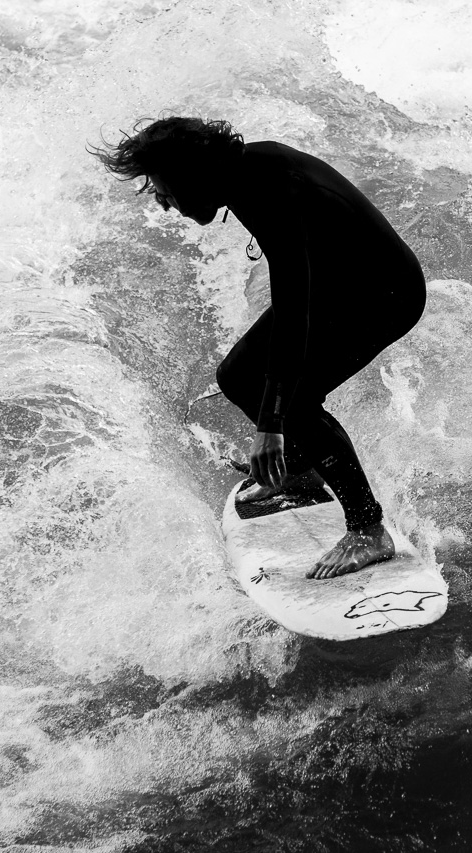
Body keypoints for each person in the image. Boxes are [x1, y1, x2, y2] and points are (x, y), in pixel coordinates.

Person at [88, 117, 426, 579]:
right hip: (333, 287)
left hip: (381, 296)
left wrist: (272, 426)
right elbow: (299, 297)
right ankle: (299, 471)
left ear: (194, 175)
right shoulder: (245, 173)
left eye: (164, 188)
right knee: (238, 378)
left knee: (295, 403)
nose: (163, 202)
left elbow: (294, 311)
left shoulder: (274, 191)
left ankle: (367, 529)